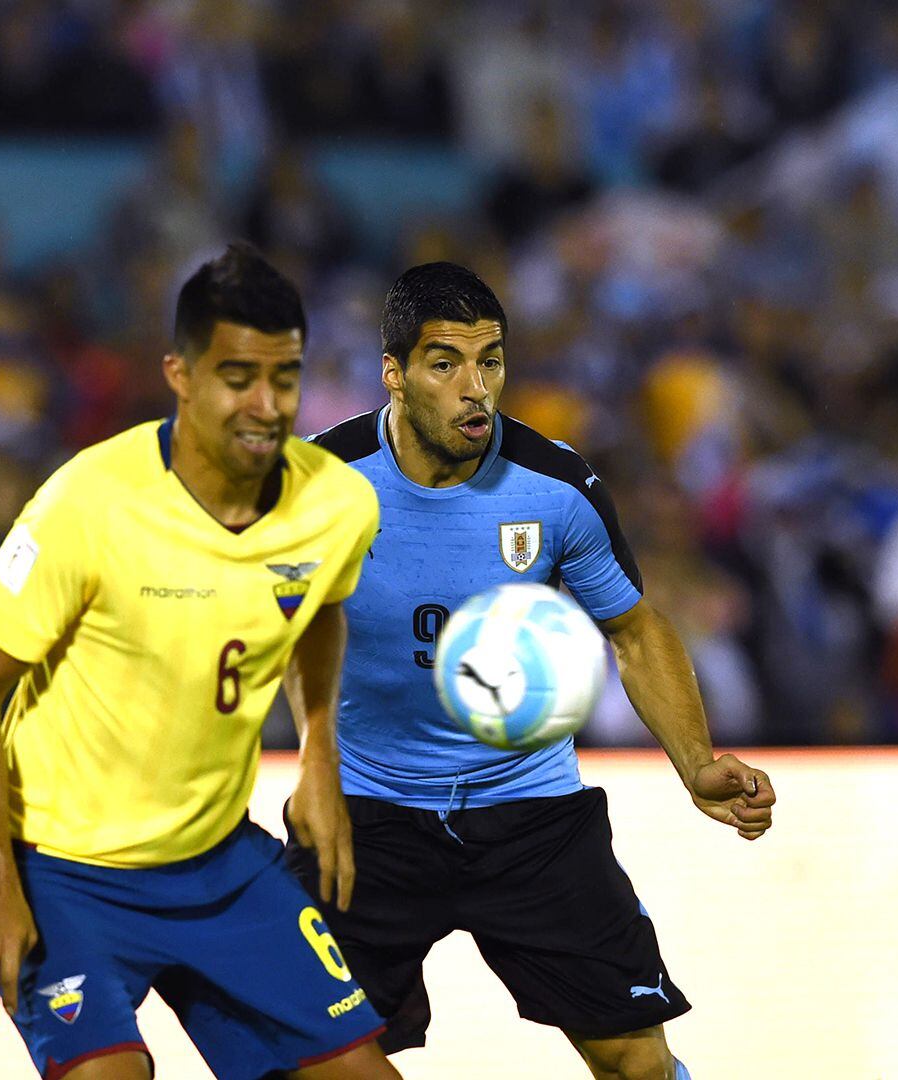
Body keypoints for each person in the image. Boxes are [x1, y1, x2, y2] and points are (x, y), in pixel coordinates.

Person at [288, 261, 776, 1080]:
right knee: (316, 1061)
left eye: (492, 361)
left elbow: (634, 629)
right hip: (367, 812)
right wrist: (312, 762)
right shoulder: (317, 485)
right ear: (394, 376)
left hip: (529, 816)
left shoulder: (557, 487)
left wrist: (696, 762)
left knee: (638, 1062)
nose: (475, 388)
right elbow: (276, 631)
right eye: (445, 363)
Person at [0, 244, 400, 1080]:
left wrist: (321, 749)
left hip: (215, 860)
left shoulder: (337, 504)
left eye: (285, 377)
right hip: (60, 871)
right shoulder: (88, 502)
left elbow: (320, 609)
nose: (266, 405)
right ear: (179, 375)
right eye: (237, 377)